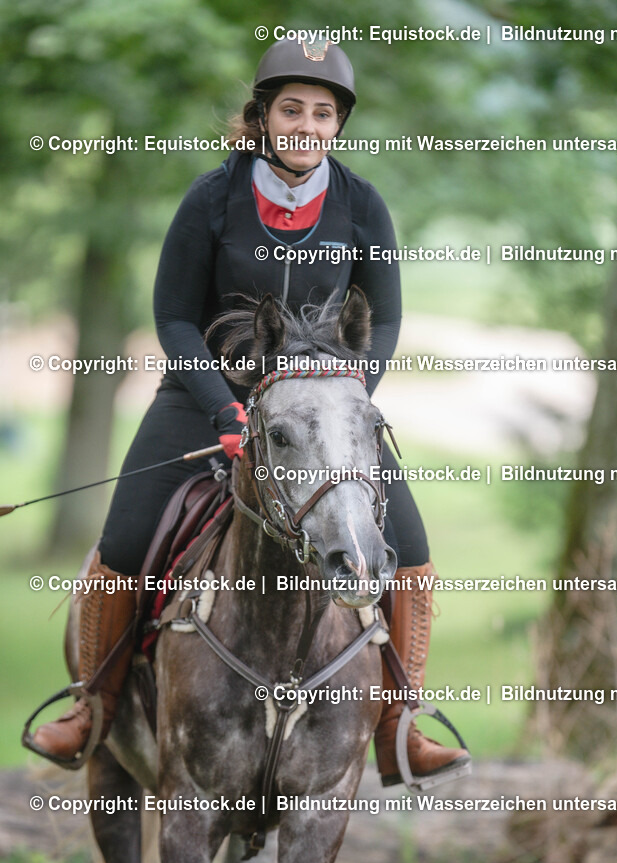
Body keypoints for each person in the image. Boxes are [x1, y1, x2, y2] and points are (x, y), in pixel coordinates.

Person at [30, 39, 471, 786]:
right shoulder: (210, 198)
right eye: (290, 108)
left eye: (322, 113)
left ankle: (401, 721)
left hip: (323, 411)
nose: (305, 123)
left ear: (338, 125)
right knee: (127, 538)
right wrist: (225, 412)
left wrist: (344, 397)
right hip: (207, 399)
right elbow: (173, 318)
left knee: (411, 548)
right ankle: (92, 710)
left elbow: (386, 321)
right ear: (263, 116)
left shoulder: (361, 204)